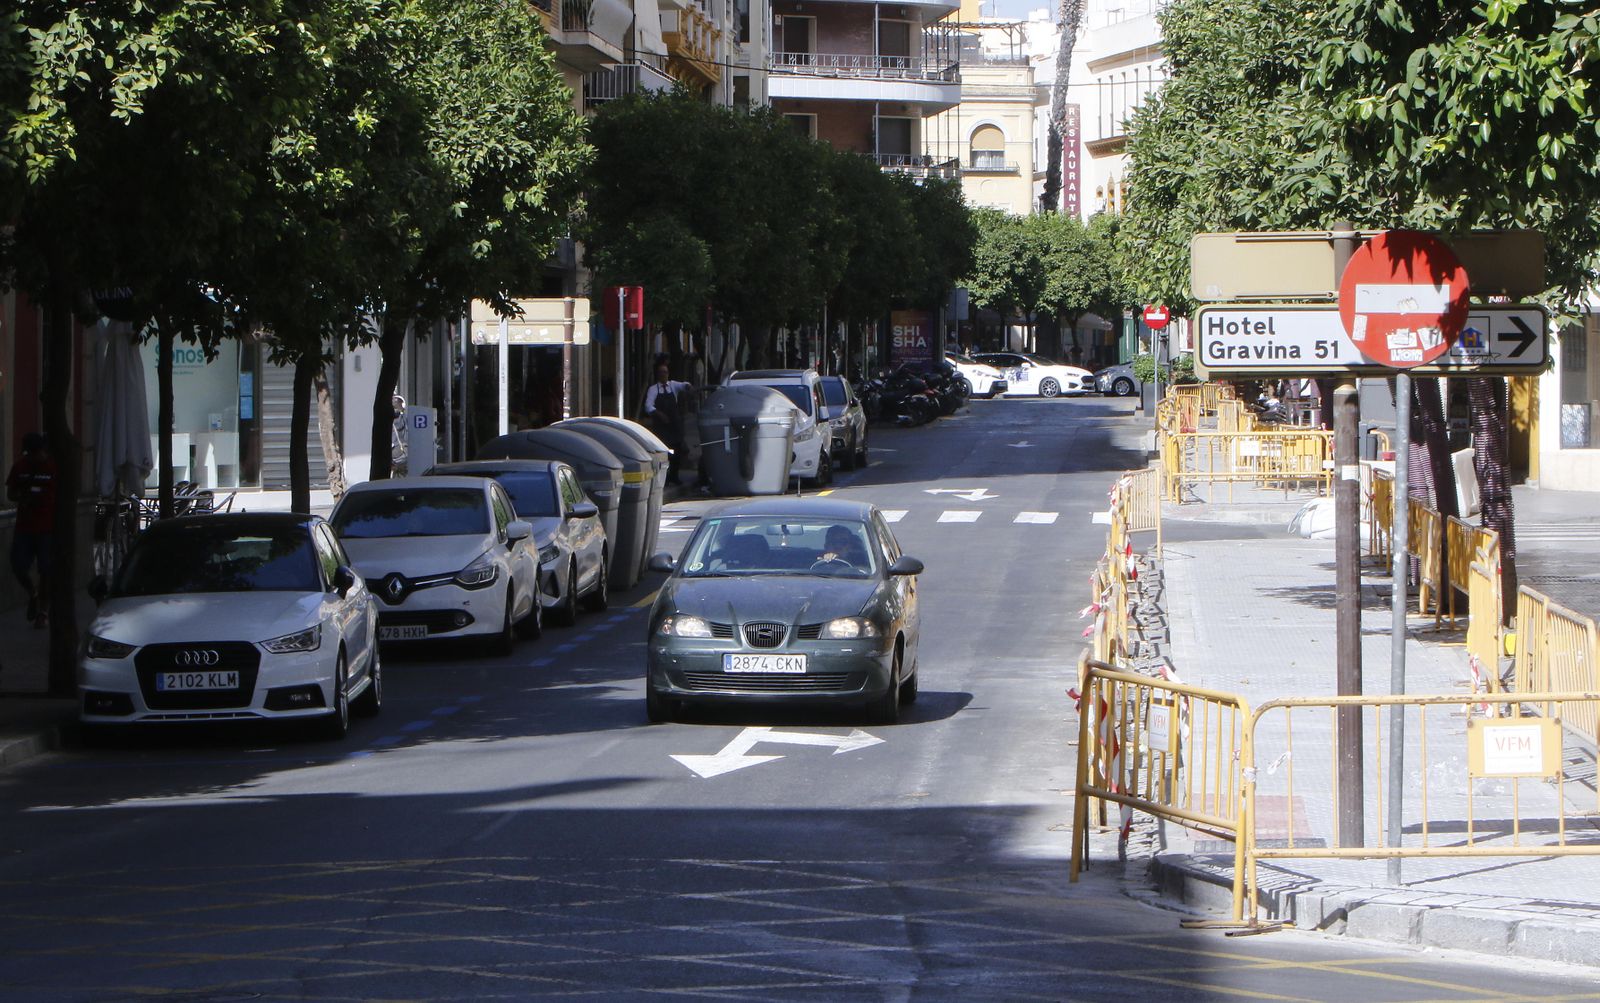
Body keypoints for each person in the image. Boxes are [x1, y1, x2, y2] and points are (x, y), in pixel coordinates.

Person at [6, 433, 56, 627]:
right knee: (18, 565)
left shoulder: (52, 468)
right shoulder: (20, 467)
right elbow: (10, 492)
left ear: (42, 451)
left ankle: (43, 611)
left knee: (46, 570)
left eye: (34, 453)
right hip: (24, 527)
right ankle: (32, 592)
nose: (31, 457)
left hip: (46, 528)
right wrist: (22, 497)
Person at [642, 362, 692, 483]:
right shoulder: (653, 389)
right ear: (657, 374)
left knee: (677, 451)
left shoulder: (673, 385)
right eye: (661, 372)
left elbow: (684, 385)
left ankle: (675, 476)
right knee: (665, 452)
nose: (663, 374)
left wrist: (688, 386)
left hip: (674, 425)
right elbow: (648, 406)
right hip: (662, 427)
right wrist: (659, 414)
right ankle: (665, 477)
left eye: (665, 372)